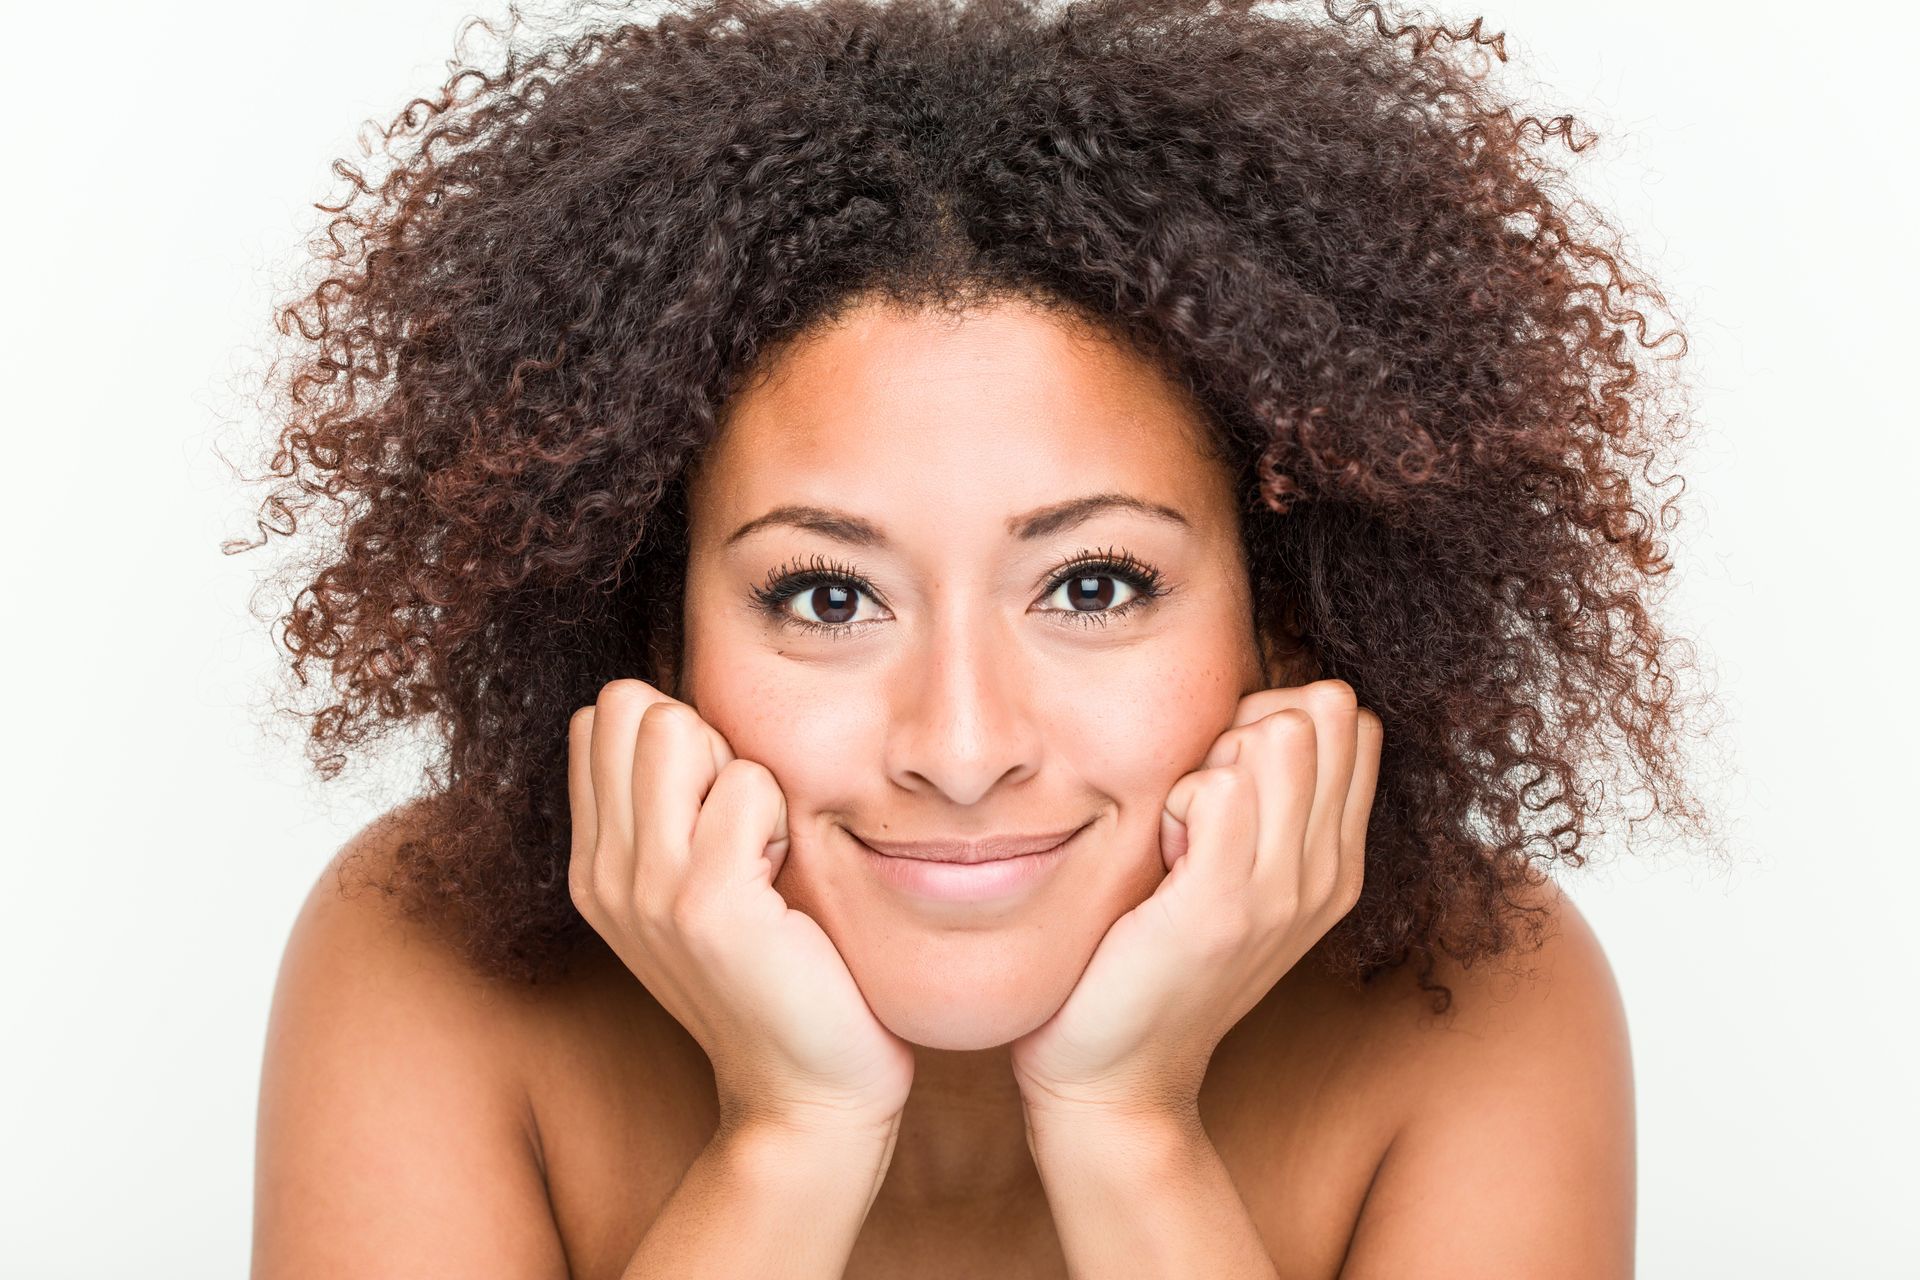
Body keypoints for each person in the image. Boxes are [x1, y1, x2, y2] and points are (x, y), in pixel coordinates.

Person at [244, 0, 1713, 1274]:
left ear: (1289, 620)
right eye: (827, 596)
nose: (960, 746)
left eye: (1092, 587)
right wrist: (788, 1139)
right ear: (653, 625)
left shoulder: (1479, 1003)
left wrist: (1131, 1130)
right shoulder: (424, 968)